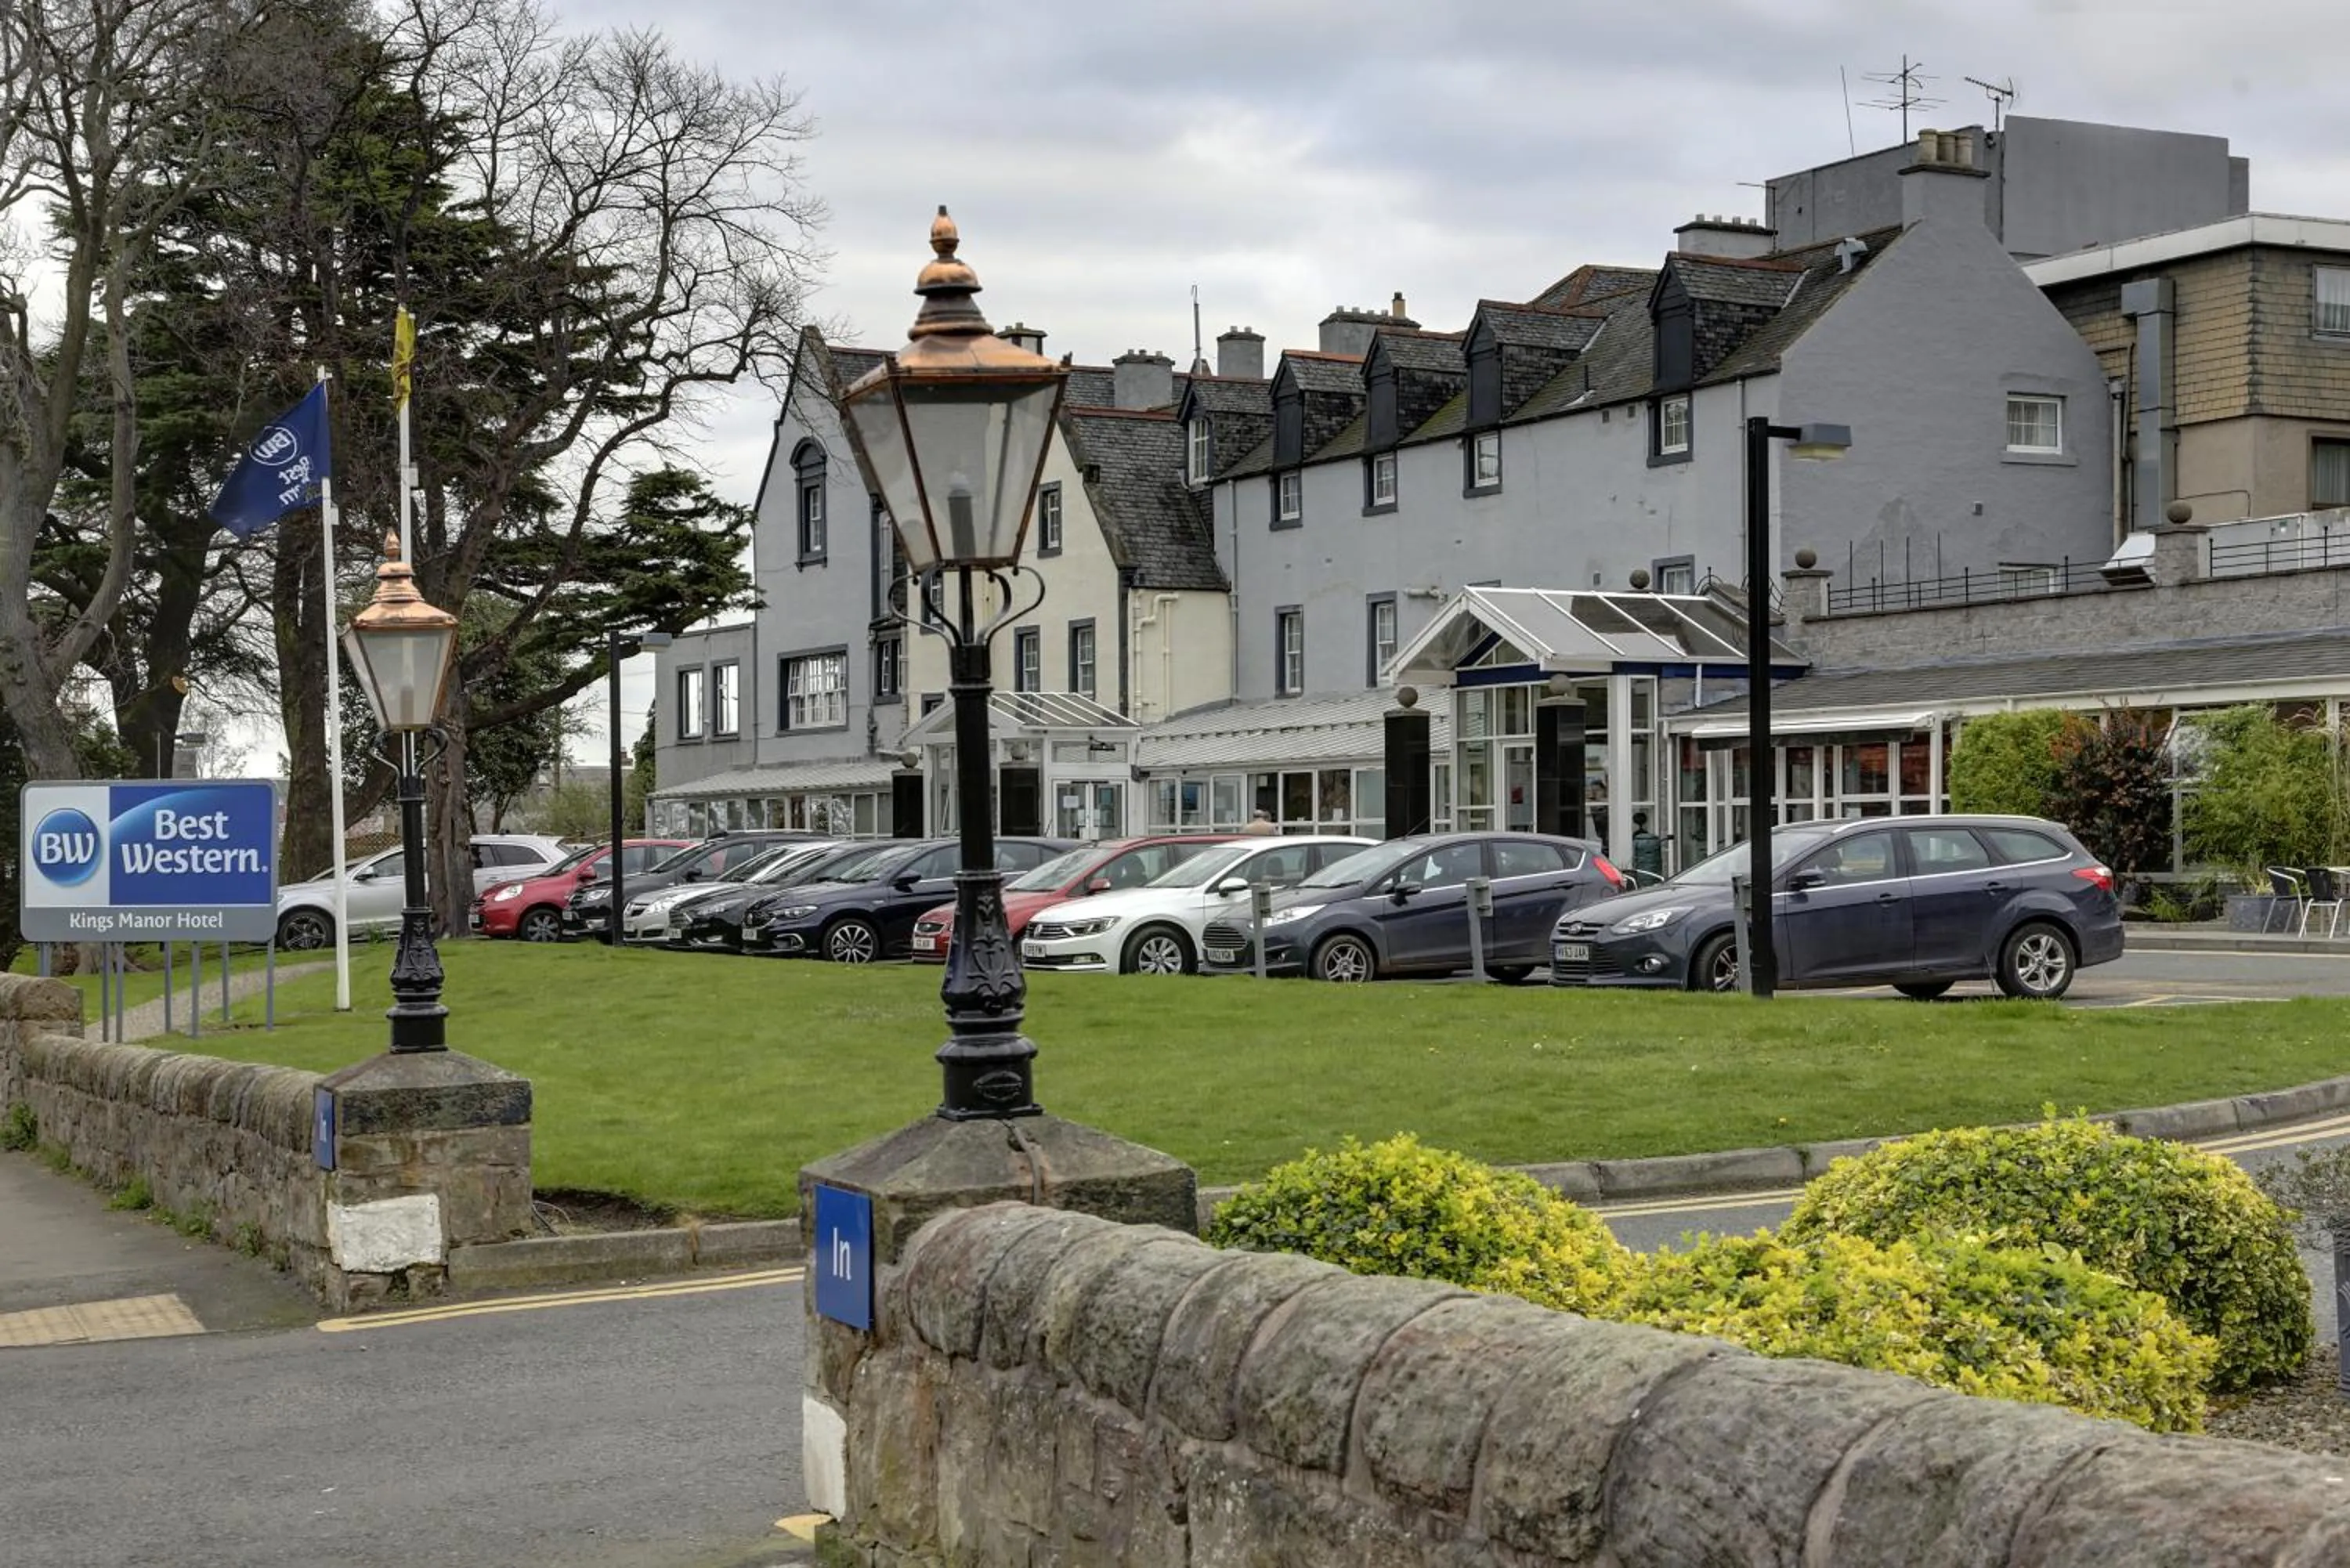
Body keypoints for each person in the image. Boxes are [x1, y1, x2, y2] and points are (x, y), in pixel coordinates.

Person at [1631, 811, 1665, 880]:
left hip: (1641, 872)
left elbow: (1634, 859)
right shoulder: (1653, 840)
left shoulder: (1637, 839)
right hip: (1652, 873)